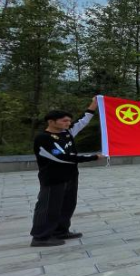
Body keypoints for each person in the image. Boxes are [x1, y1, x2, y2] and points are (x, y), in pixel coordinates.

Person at [31, 98, 100, 247]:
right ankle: (40, 237)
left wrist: (94, 104)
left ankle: (60, 231)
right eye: (64, 121)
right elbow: (61, 158)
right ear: (51, 121)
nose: (68, 124)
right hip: (53, 178)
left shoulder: (66, 133)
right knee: (49, 207)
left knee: (67, 205)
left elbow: (83, 122)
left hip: (70, 176)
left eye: (69, 121)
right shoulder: (43, 139)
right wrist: (93, 157)